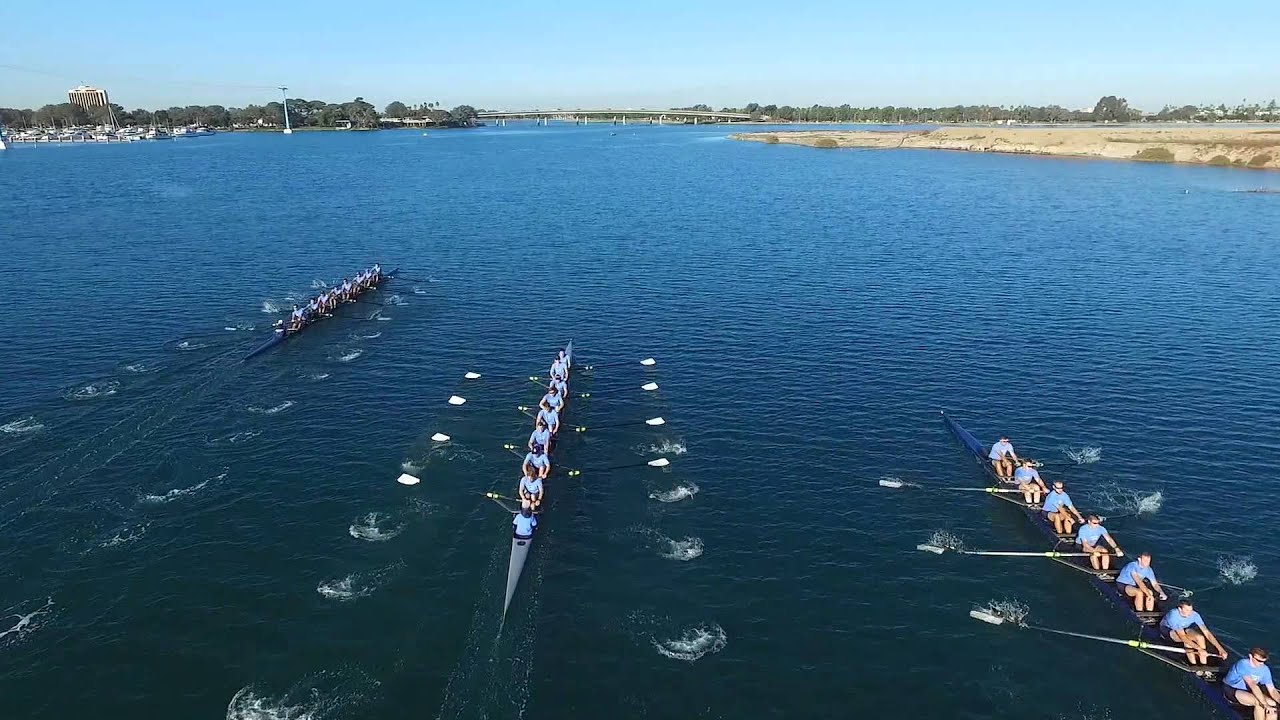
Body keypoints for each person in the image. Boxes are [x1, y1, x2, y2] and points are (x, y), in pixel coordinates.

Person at [1159, 600, 1227, 667]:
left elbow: (1207, 633)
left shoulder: (1195, 615)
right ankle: (1193, 664)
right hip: (1167, 631)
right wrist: (1199, 649)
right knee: (1188, 639)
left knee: (1200, 637)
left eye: (1191, 610)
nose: (1190, 613)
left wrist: (1220, 649)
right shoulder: (1173, 616)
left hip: (1184, 628)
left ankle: (1203, 664)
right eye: (1187, 610)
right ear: (1180, 609)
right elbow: (1183, 637)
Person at [1225, 648, 1280, 720]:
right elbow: (1252, 685)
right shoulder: (1243, 664)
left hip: (1249, 690)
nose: (1261, 664)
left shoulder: (1265, 669)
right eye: (1259, 661)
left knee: (1273, 704)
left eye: (1263, 662)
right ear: (1250, 656)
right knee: (1258, 703)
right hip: (1232, 689)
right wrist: (1265, 704)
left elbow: (1272, 690)